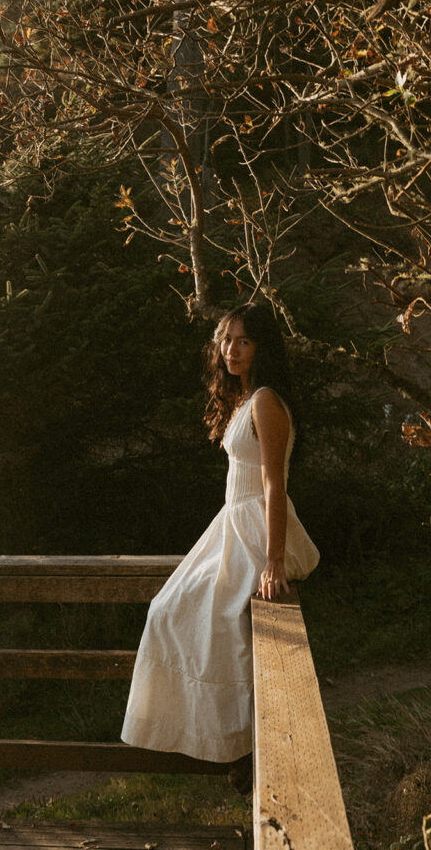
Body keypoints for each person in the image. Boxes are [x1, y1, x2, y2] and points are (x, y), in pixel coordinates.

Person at [121, 301, 319, 766]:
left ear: (261, 346)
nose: (231, 349)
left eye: (243, 340)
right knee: (168, 611)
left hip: (255, 526)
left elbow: (274, 483)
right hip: (231, 520)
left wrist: (273, 558)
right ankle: (210, 739)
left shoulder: (267, 399)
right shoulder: (244, 398)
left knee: (216, 621)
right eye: (226, 339)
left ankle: (241, 745)